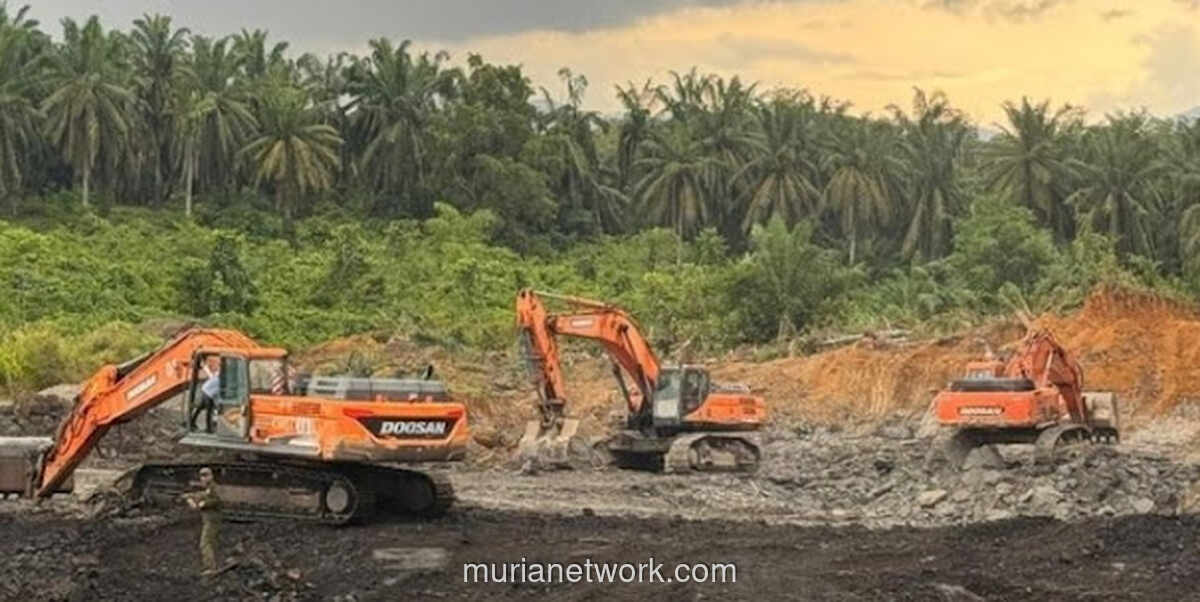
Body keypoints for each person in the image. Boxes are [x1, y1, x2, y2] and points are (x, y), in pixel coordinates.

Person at [184, 467, 222, 575]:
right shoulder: (208, 488)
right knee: (210, 542)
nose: (203, 478)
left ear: (211, 476)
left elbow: (217, 500)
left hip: (212, 519)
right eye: (202, 476)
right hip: (210, 519)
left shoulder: (214, 487)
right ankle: (213, 565)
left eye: (206, 475)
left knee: (205, 543)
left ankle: (210, 568)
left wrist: (202, 504)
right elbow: (203, 495)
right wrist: (191, 498)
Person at [190, 357, 220, 433]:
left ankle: (191, 421)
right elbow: (211, 375)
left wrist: (204, 366)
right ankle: (208, 429)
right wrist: (204, 366)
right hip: (208, 393)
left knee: (200, 407)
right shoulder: (220, 376)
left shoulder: (219, 374)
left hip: (206, 390)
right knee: (209, 410)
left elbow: (210, 374)